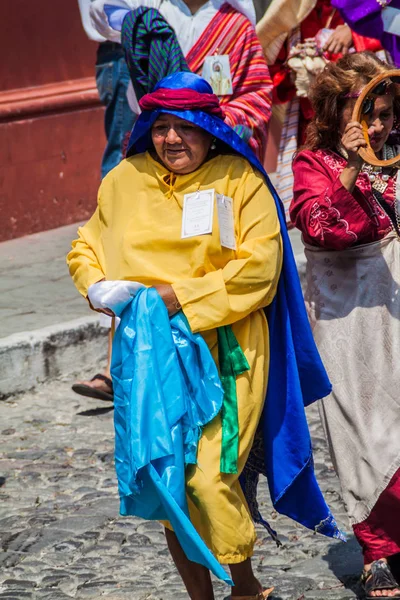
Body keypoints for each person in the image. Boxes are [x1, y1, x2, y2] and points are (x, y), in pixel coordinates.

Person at [67, 71, 342, 599]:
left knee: (209, 477)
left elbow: (260, 270)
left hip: (227, 349)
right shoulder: (122, 181)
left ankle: (246, 587)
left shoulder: (240, 181)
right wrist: (97, 287)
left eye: (184, 128)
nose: (171, 139)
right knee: (166, 481)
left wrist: (179, 298)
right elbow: (87, 244)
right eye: (161, 127)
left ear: (208, 129)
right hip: (148, 354)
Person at [290, 52, 400, 598]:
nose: (379, 126)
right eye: (369, 114)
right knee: (364, 432)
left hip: (396, 309)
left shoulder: (399, 157)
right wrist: (355, 168)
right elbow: (320, 225)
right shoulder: (312, 163)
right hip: (347, 319)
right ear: (336, 112)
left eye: (385, 114)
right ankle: (376, 552)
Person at [257, 0, 383, 222]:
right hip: (311, 131)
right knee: (319, 202)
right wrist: (294, 70)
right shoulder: (296, 15)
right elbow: (270, 74)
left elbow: (387, 38)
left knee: (369, 196)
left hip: (361, 125)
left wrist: (354, 32)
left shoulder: (361, 7)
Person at [74, 0, 136, 402]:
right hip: (127, 50)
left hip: (151, 47)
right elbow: (115, 12)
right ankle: (118, 364)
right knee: (123, 208)